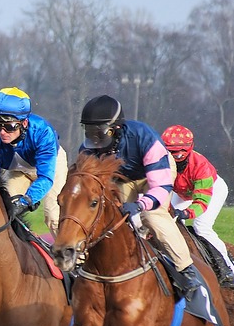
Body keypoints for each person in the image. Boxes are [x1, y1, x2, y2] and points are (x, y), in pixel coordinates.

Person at [78, 94, 203, 299]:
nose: (95, 139)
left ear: (116, 129)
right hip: (125, 178)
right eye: (89, 132)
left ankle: (186, 270)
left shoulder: (145, 138)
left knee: (152, 216)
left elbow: (160, 188)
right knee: (108, 214)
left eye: (99, 132)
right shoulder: (89, 149)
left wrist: (140, 205)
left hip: (155, 174)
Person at [0, 87, 68, 236]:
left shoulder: (43, 131)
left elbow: (45, 178)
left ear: (24, 123)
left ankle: (73, 258)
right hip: (18, 170)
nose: (2, 132)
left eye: (9, 126)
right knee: (2, 212)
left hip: (50, 167)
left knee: (53, 216)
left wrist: (27, 200)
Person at [162, 124, 234, 288]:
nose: (175, 156)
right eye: (170, 151)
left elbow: (201, 203)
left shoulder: (200, 166)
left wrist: (185, 213)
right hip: (183, 192)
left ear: (189, 149)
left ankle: (229, 271)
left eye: (179, 152)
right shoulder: (160, 161)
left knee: (201, 226)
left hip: (212, 189)